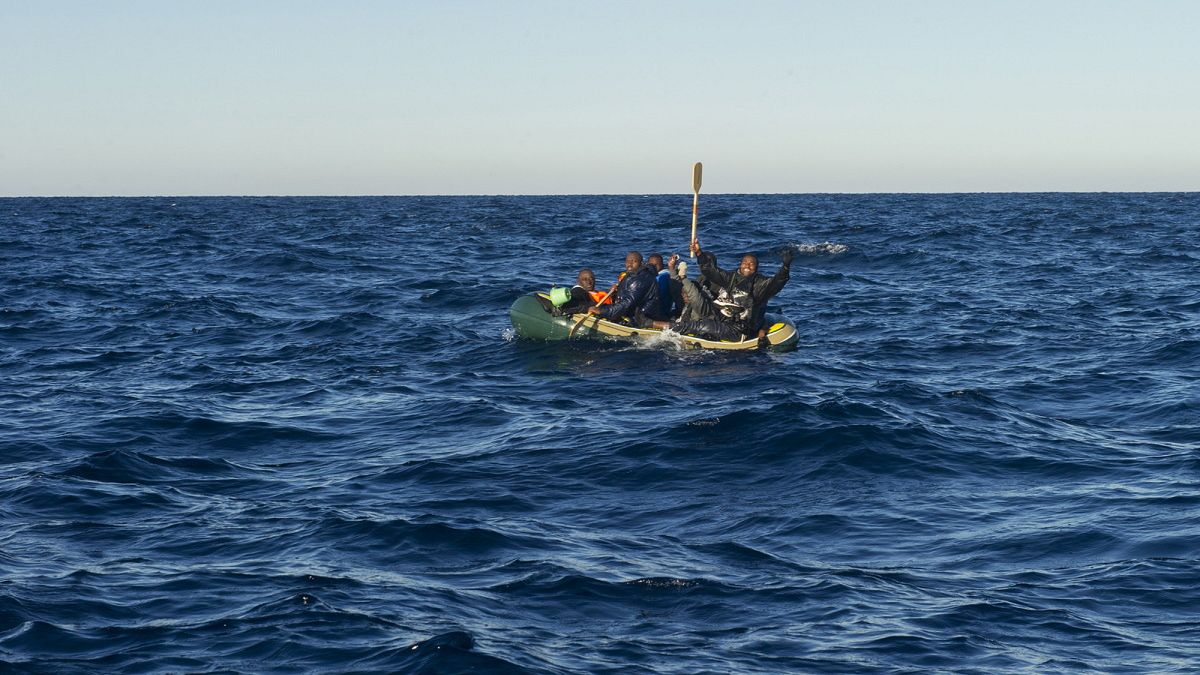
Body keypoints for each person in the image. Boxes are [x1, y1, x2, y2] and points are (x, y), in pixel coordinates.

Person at [654, 239, 793, 344]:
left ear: (756, 268)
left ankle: (656, 325)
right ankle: (664, 322)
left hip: (739, 329)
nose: (747, 266)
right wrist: (699, 253)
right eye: (745, 263)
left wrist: (785, 268)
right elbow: (711, 271)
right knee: (699, 302)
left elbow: (776, 283)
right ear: (740, 264)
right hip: (722, 317)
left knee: (701, 325)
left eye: (751, 264)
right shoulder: (731, 277)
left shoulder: (760, 284)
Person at [588, 251, 665, 327]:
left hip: (640, 318)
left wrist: (602, 311)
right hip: (631, 313)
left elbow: (627, 303)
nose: (629, 264)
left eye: (634, 261)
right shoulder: (631, 275)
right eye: (627, 261)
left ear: (641, 263)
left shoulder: (641, 279)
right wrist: (616, 292)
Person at [646, 253, 684, 319]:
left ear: (662, 265)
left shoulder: (664, 276)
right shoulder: (651, 276)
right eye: (651, 265)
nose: (654, 267)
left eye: (656, 265)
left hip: (660, 313)